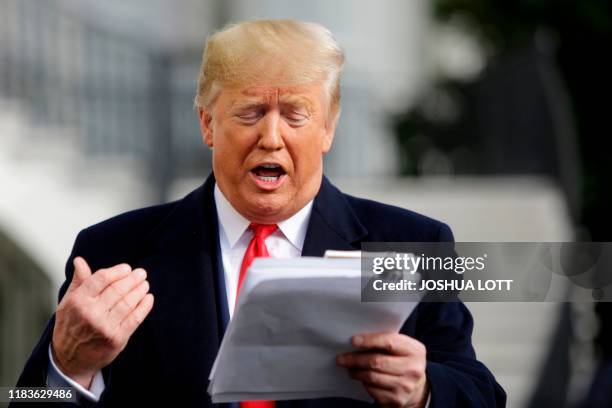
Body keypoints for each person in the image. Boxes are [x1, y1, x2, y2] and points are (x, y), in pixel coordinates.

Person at [14, 20, 505, 407]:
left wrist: (423, 392)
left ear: (329, 128)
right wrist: (68, 367)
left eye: (296, 114)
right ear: (207, 123)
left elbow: (483, 394)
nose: (271, 137)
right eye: (249, 113)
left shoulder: (413, 244)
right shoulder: (113, 250)